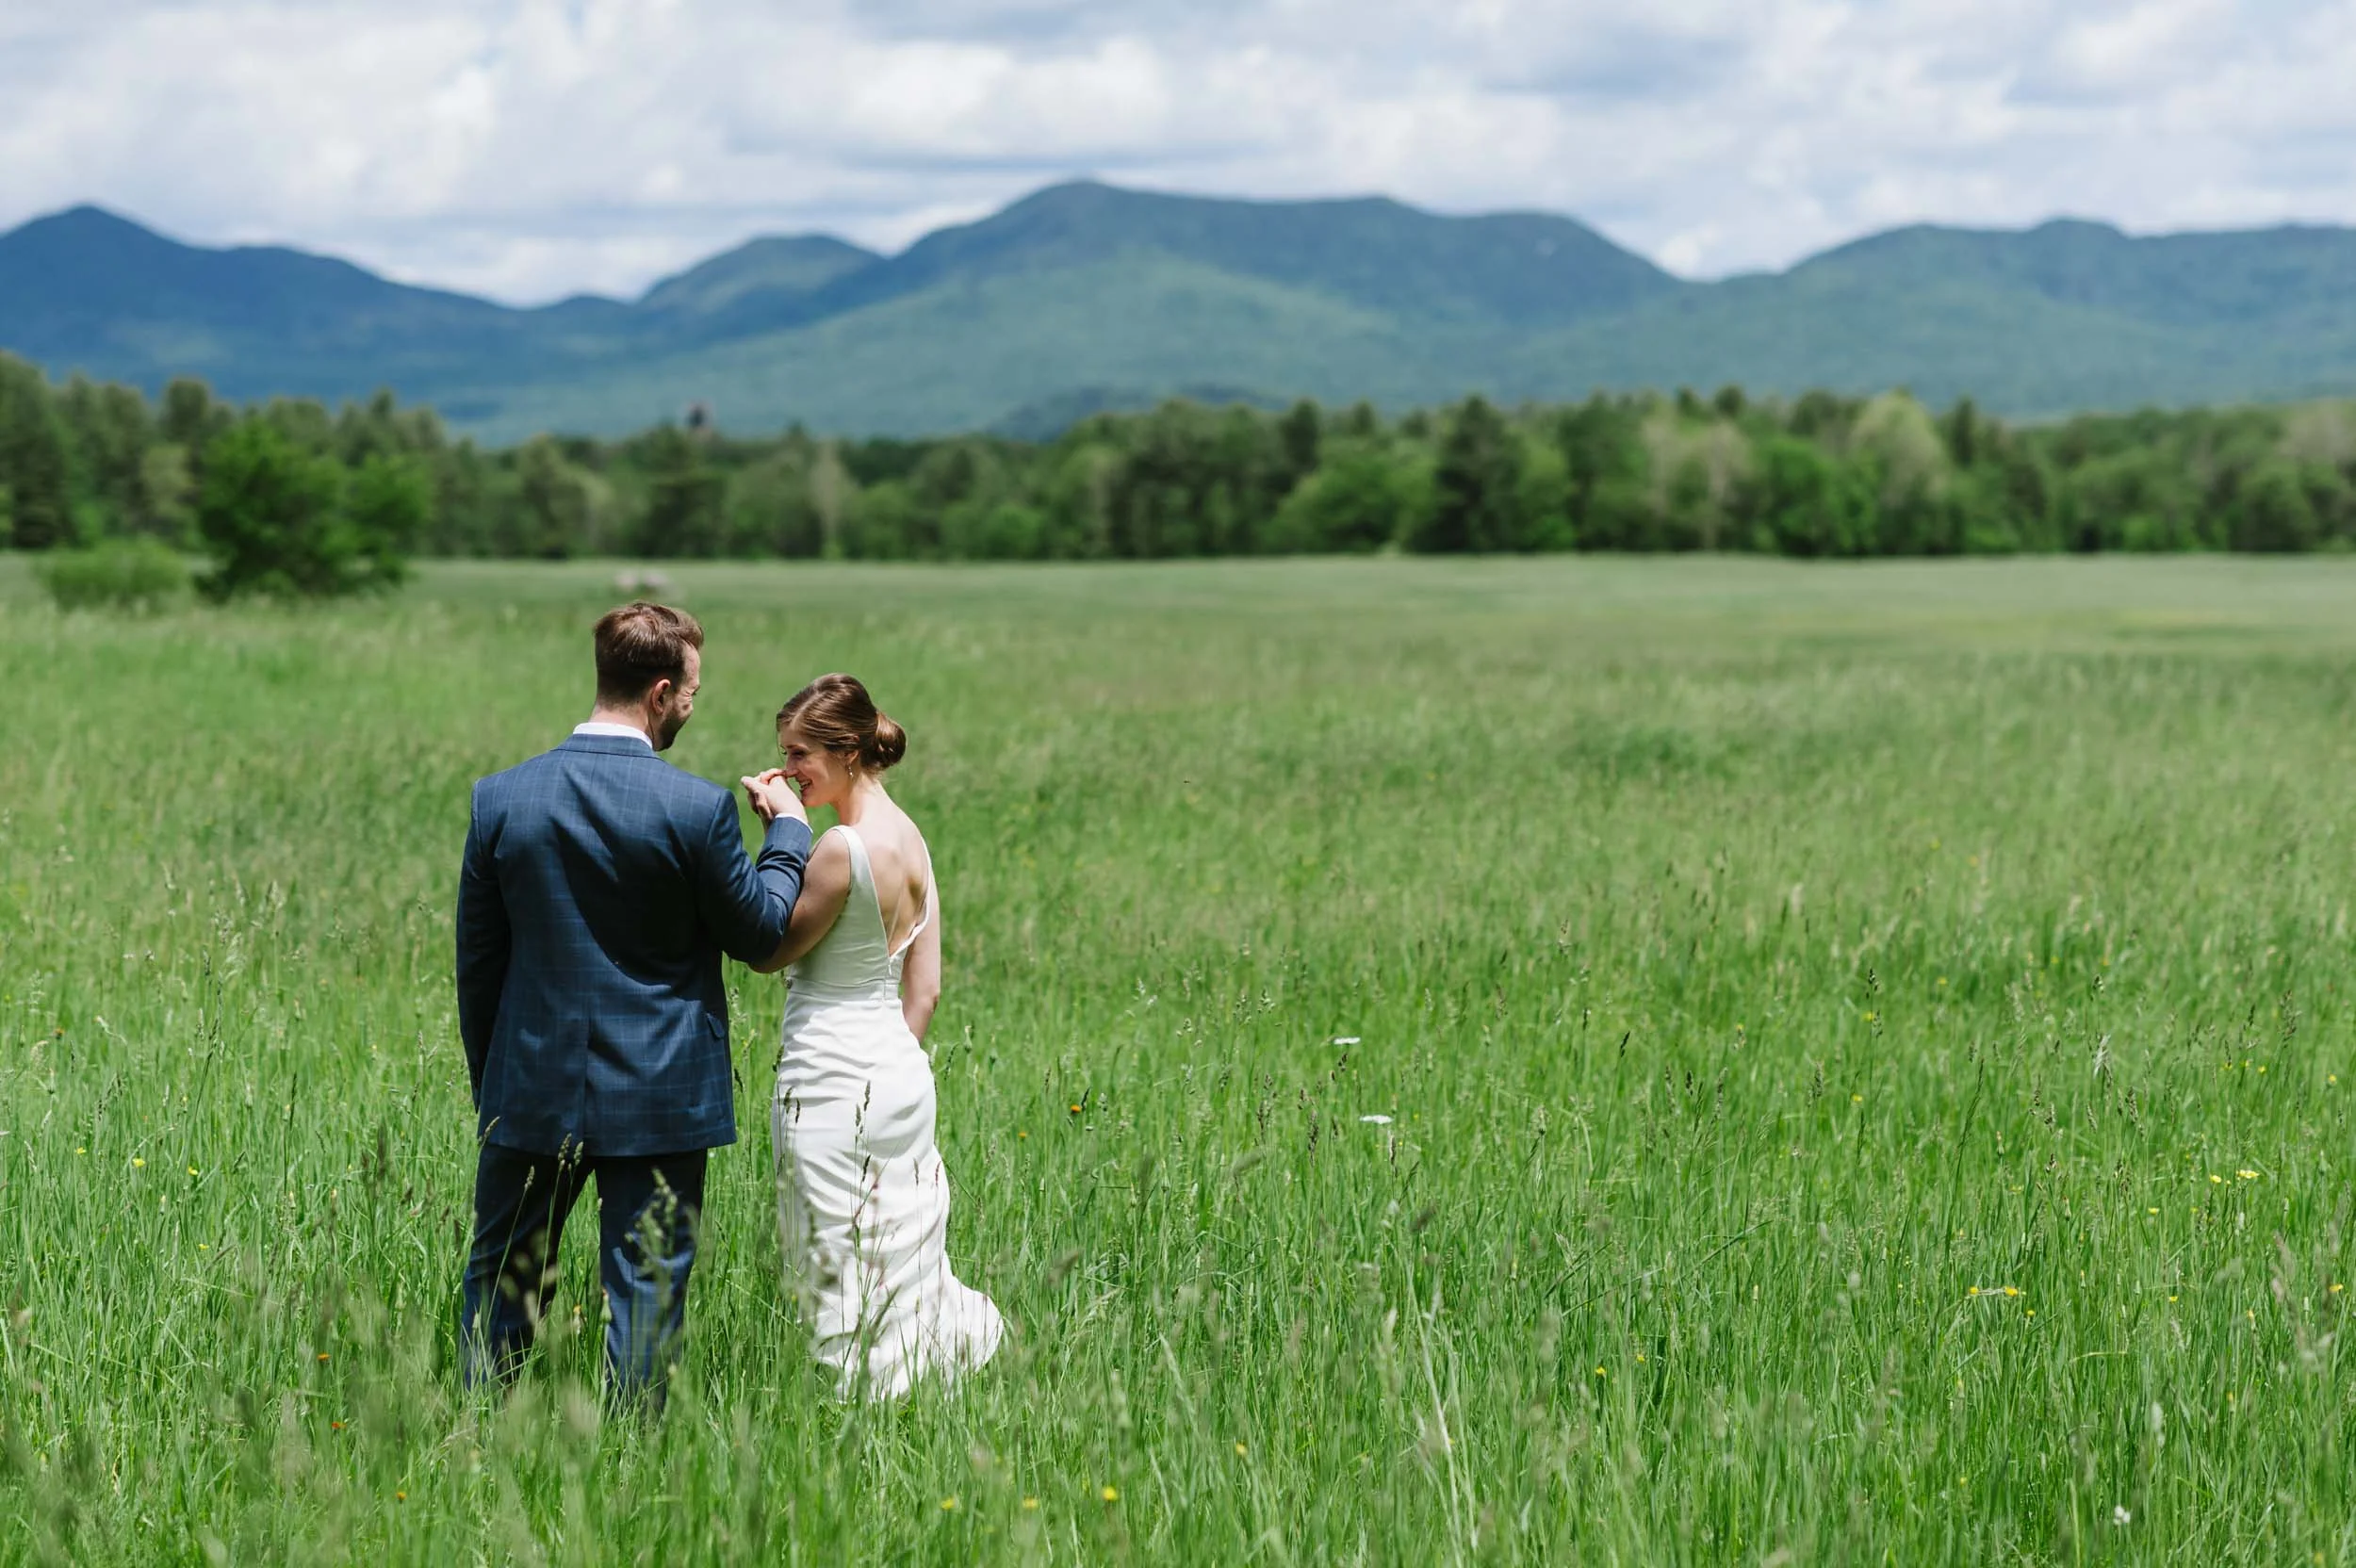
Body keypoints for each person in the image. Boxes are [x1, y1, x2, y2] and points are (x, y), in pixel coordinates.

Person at [455, 601, 810, 1408]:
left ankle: (474, 1437)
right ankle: (634, 1457)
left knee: (503, 1282)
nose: (691, 706)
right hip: (660, 1091)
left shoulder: (501, 798)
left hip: (529, 1086)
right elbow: (759, 934)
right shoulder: (696, 808)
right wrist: (788, 837)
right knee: (647, 1289)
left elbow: (479, 965)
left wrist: (495, 1092)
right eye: (691, 693)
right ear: (659, 693)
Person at [750, 673, 1004, 1396]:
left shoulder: (840, 848)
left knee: (830, 1254)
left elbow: (770, 950)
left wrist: (781, 833)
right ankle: (924, 1381)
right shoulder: (913, 839)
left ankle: (859, 1398)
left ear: (848, 752)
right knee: (900, 1250)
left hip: (829, 1074)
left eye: (800, 754)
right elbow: (925, 990)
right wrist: (888, 1064)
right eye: (785, 753)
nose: (789, 769)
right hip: (897, 1073)